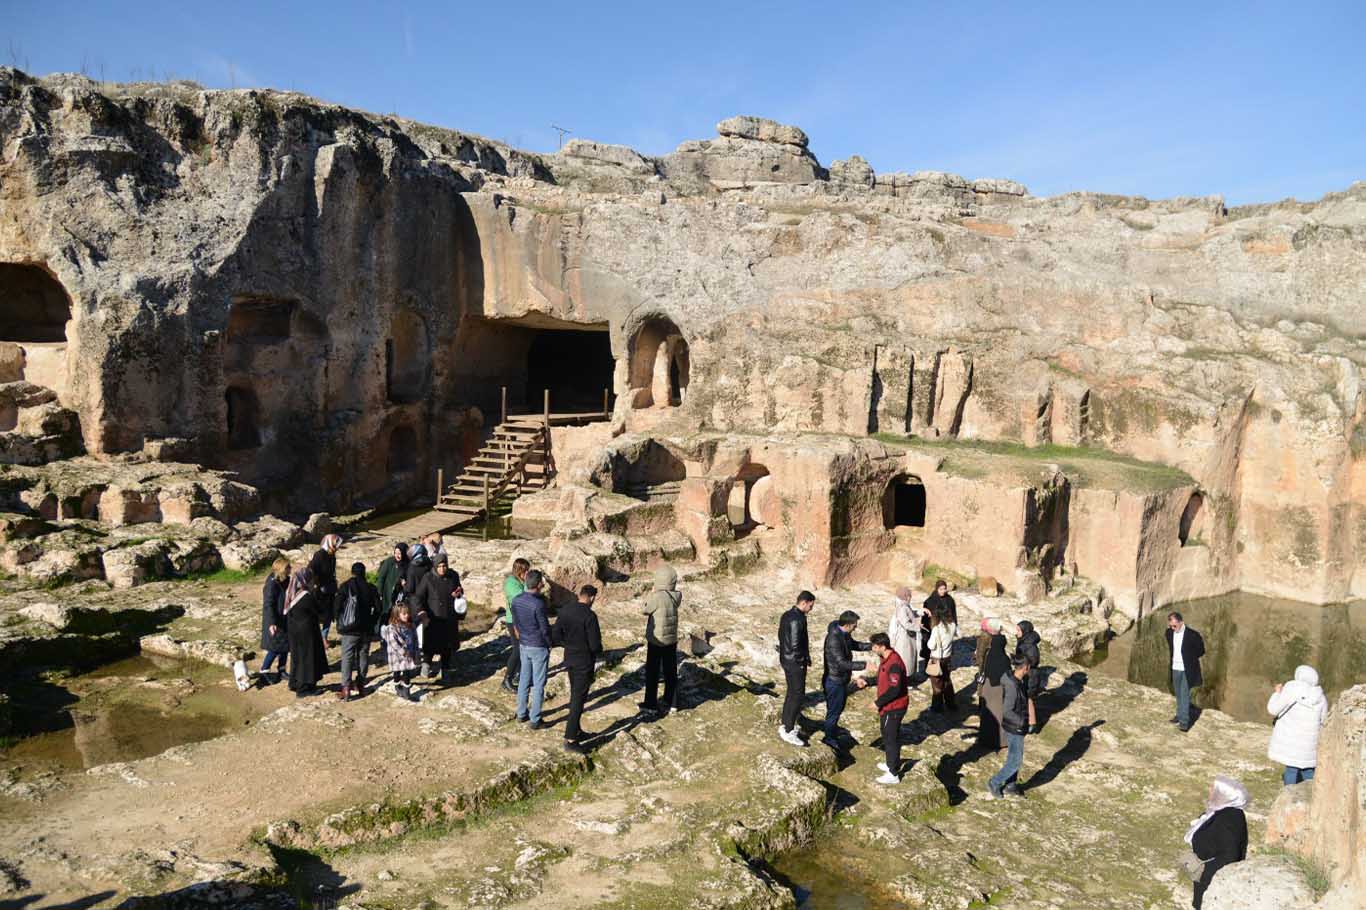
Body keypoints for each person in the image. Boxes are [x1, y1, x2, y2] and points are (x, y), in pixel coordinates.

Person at [552, 584, 604, 753]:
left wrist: (568, 644)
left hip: (570, 659)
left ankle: (577, 730)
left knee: (576, 695)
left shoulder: (566, 610)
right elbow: (595, 644)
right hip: (584, 662)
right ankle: (570, 739)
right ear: (592, 597)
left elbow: (556, 635)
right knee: (578, 700)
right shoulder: (590, 616)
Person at [1185, 776, 1249, 909]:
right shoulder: (1219, 810)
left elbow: (1230, 855)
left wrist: (1203, 870)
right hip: (1204, 875)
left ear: (1225, 794)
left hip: (1211, 880)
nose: (1210, 790)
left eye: (1213, 788)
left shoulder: (1230, 819)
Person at [857, 632, 908, 785]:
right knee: (887, 736)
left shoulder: (894, 664)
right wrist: (868, 681)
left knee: (890, 738)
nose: (872, 649)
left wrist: (878, 703)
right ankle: (890, 763)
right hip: (888, 707)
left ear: (882, 646)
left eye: (874, 646)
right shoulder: (885, 659)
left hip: (894, 708)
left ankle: (893, 774)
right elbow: (882, 679)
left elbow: (894, 689)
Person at [1267, 665, 1329, 785]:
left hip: (1291, 739)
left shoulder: (1291, 688)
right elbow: (1324, 721)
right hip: (1310, 743)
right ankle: (1311, 797)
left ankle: (1289, 798)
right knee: (1308, 770)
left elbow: (1273, 709)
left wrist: (1277, 693)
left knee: (1291, 769)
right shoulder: (1320, 697)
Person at [820, 610, 870, 745]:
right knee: (834, 711)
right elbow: (842, 663)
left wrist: (871, 646)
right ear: (848, 625)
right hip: (834, 680)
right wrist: (864, 665)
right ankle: (829, 738)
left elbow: (854, 645)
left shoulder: (844, 634)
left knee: (838, 708)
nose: (856, 627)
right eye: (855, 625)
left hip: (841, 679)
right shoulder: (834, 639)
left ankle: (832, 731)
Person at [414, 554, 466, 683]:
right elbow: (418, 597)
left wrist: (458, 592)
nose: (442, 569)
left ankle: (445, 669)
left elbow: (459, 589)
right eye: (440, 566)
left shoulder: (453, 575)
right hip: (433, 617)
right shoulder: (428, 577)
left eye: (444, 566)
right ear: (435, 566)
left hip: (449, 616)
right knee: (430, 645)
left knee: (447, 646)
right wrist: (421, 611)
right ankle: (426, 665)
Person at [639, 565, 682, 718]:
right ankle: (671, 703)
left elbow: (644, 609)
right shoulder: (676, 596)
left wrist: (651, 594)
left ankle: (650, 704)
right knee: (671, 672)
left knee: (653, 672)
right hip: (671, 640)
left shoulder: (657, 597)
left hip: (657, 641)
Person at [511, 569, 552, 728]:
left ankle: (521, 713)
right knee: (539, 683)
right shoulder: (538, 604)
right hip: (538, 646)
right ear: (538, 584)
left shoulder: (516, 600)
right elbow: (544, 628)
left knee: (524, 680)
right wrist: (549, 643)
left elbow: (515, 621)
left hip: (524, 644)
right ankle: (535, 719)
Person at [986, 655, 1031, 799]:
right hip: (1015, 726)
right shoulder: (1012, 686)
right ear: (1024, 668)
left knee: (1014, 757)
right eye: (1029, 667)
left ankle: (1011, 785)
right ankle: (995, 782)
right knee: (1016, 761)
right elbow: (1007, 710)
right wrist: (1022, 722)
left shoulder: (1018, 680)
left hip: (1016, 726)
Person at [334, 561, 378, 700]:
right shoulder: (371, 587)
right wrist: (372, 621)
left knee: (347, 657)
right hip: (366, 629)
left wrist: (340, 621)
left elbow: (337, 606)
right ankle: (360, 685)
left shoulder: (345, 586)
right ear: (364, 573)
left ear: (352, 572)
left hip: (349, 629)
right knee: (363, 655)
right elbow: (378, 608)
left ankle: (346, 688)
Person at [777, 591, 816, 747]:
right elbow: (795, 645)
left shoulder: (786, 614)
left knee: (791, 692)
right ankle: (788, 729)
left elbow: (781, 636)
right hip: (794, 663)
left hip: (786, 659)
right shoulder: (797, 619)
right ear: (804, 602)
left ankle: (786, 723)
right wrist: (802, 660)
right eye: (811, 605)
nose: (811, 609)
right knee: (797, 695)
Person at [284, 567, 326, 697]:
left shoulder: (291, 594)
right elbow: (319, 612)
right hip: (306, 633)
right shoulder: (306, 596)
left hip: (293, 631)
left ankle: (294, 683)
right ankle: (304, 688)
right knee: (306, 659)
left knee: (297, 658)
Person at [1166, 611, 1206, 732]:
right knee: (1178, 693)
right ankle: (1179, 715)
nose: (1173, 628)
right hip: (1175, 668)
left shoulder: (1193, 635)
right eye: (1171, 626)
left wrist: (1189, 657)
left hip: (1187, 669)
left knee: (1184, 694)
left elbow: (1201, 651)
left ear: (1181, 622)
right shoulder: (1169, 633)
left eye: (1175, 626)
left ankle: (1184, 723)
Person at [976, 619, 1010, 749]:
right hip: (999, 689)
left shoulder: (990, 655)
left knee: (988, 715)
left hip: (988, 687)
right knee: (999, 714)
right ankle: (1001, 741)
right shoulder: (1005, 658)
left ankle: (986, 739)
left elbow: (984, 667)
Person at [372, 542, 408, 665]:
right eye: (396, 553)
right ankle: (384, 640)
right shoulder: (389, 562)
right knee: (386, 617)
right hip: (388, 596)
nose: (398, 555)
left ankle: (397, 640)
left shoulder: (407, 564)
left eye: (400, 553)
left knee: (398, 618)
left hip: (400, 598)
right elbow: (381, 578)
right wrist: (380, 593)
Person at [258, 557, 291, 685]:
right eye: (288, 568)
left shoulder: (285, 580)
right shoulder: (272, 583)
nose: (290, 570)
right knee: (274, 648)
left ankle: (281, 670)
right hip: (275, 620)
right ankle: (264, 671)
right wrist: (272, 622)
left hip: (284, 618)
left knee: (285, 646)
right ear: (282, 569)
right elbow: (269, 604)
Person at [380, 602, 421, 702]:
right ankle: (397, 686)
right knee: (397, 671)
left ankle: (407, 692)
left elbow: (415, 638)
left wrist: (416, 650)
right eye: (404, 614)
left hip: (408, 654)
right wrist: (403, 652)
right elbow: (393, 643)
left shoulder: (410, 626)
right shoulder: (392, 628)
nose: (407, 615)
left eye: (408, 613)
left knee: (407, 672)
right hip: (396, 655)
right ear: (397, 615)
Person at [502, 557, 530, 692]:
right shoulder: (511, 583)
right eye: (526, 571)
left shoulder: (521, 581)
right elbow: (521, 599)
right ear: (520, 571)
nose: (527, 574)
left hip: (523, 619)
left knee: (524, 649)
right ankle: (507, 679)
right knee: (517, 650)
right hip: (513, 620)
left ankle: (519, 674)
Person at [309, 534, 342, 645]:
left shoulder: (332, 555)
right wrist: (316, 583)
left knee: (328, 615)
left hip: (330, 590)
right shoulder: (319, 555)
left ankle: (324, 638)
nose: (337, 547)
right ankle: (315, 637)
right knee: (317, 615)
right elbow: (312, 571)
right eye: (335, 545)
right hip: (319, 591)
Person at [926, 602, 958, 713]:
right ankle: (950, 703)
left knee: (936, 684)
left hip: (936, 658)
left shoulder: (937, 629)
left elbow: (931, 645)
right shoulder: (953, 625)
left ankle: (937, 707)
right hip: (947, 657)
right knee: (947, 680)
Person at [1014, 620, 1042, 733]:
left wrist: (1018, 661)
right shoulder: (1024, 640)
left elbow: (1033, 660)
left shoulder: (1029, 644)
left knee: (1027, 698)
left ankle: (1032, 723)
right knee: (1023, 697)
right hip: (1025, 673)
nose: (1016, 632)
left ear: (1024, 631)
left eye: (1018, 630)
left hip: (1029, 675)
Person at [887, 586, 922, 678]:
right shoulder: (902, 608)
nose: (910, 597)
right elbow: (905, 623)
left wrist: (920, 612)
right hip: (904, 639)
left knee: (909, 659)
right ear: (905, 596)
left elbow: (910, 613)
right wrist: (918, 627)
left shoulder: (904, 605)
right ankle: (905, 683)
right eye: (909, 596)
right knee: (906, 660)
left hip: (908, 638)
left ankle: (908, 679)